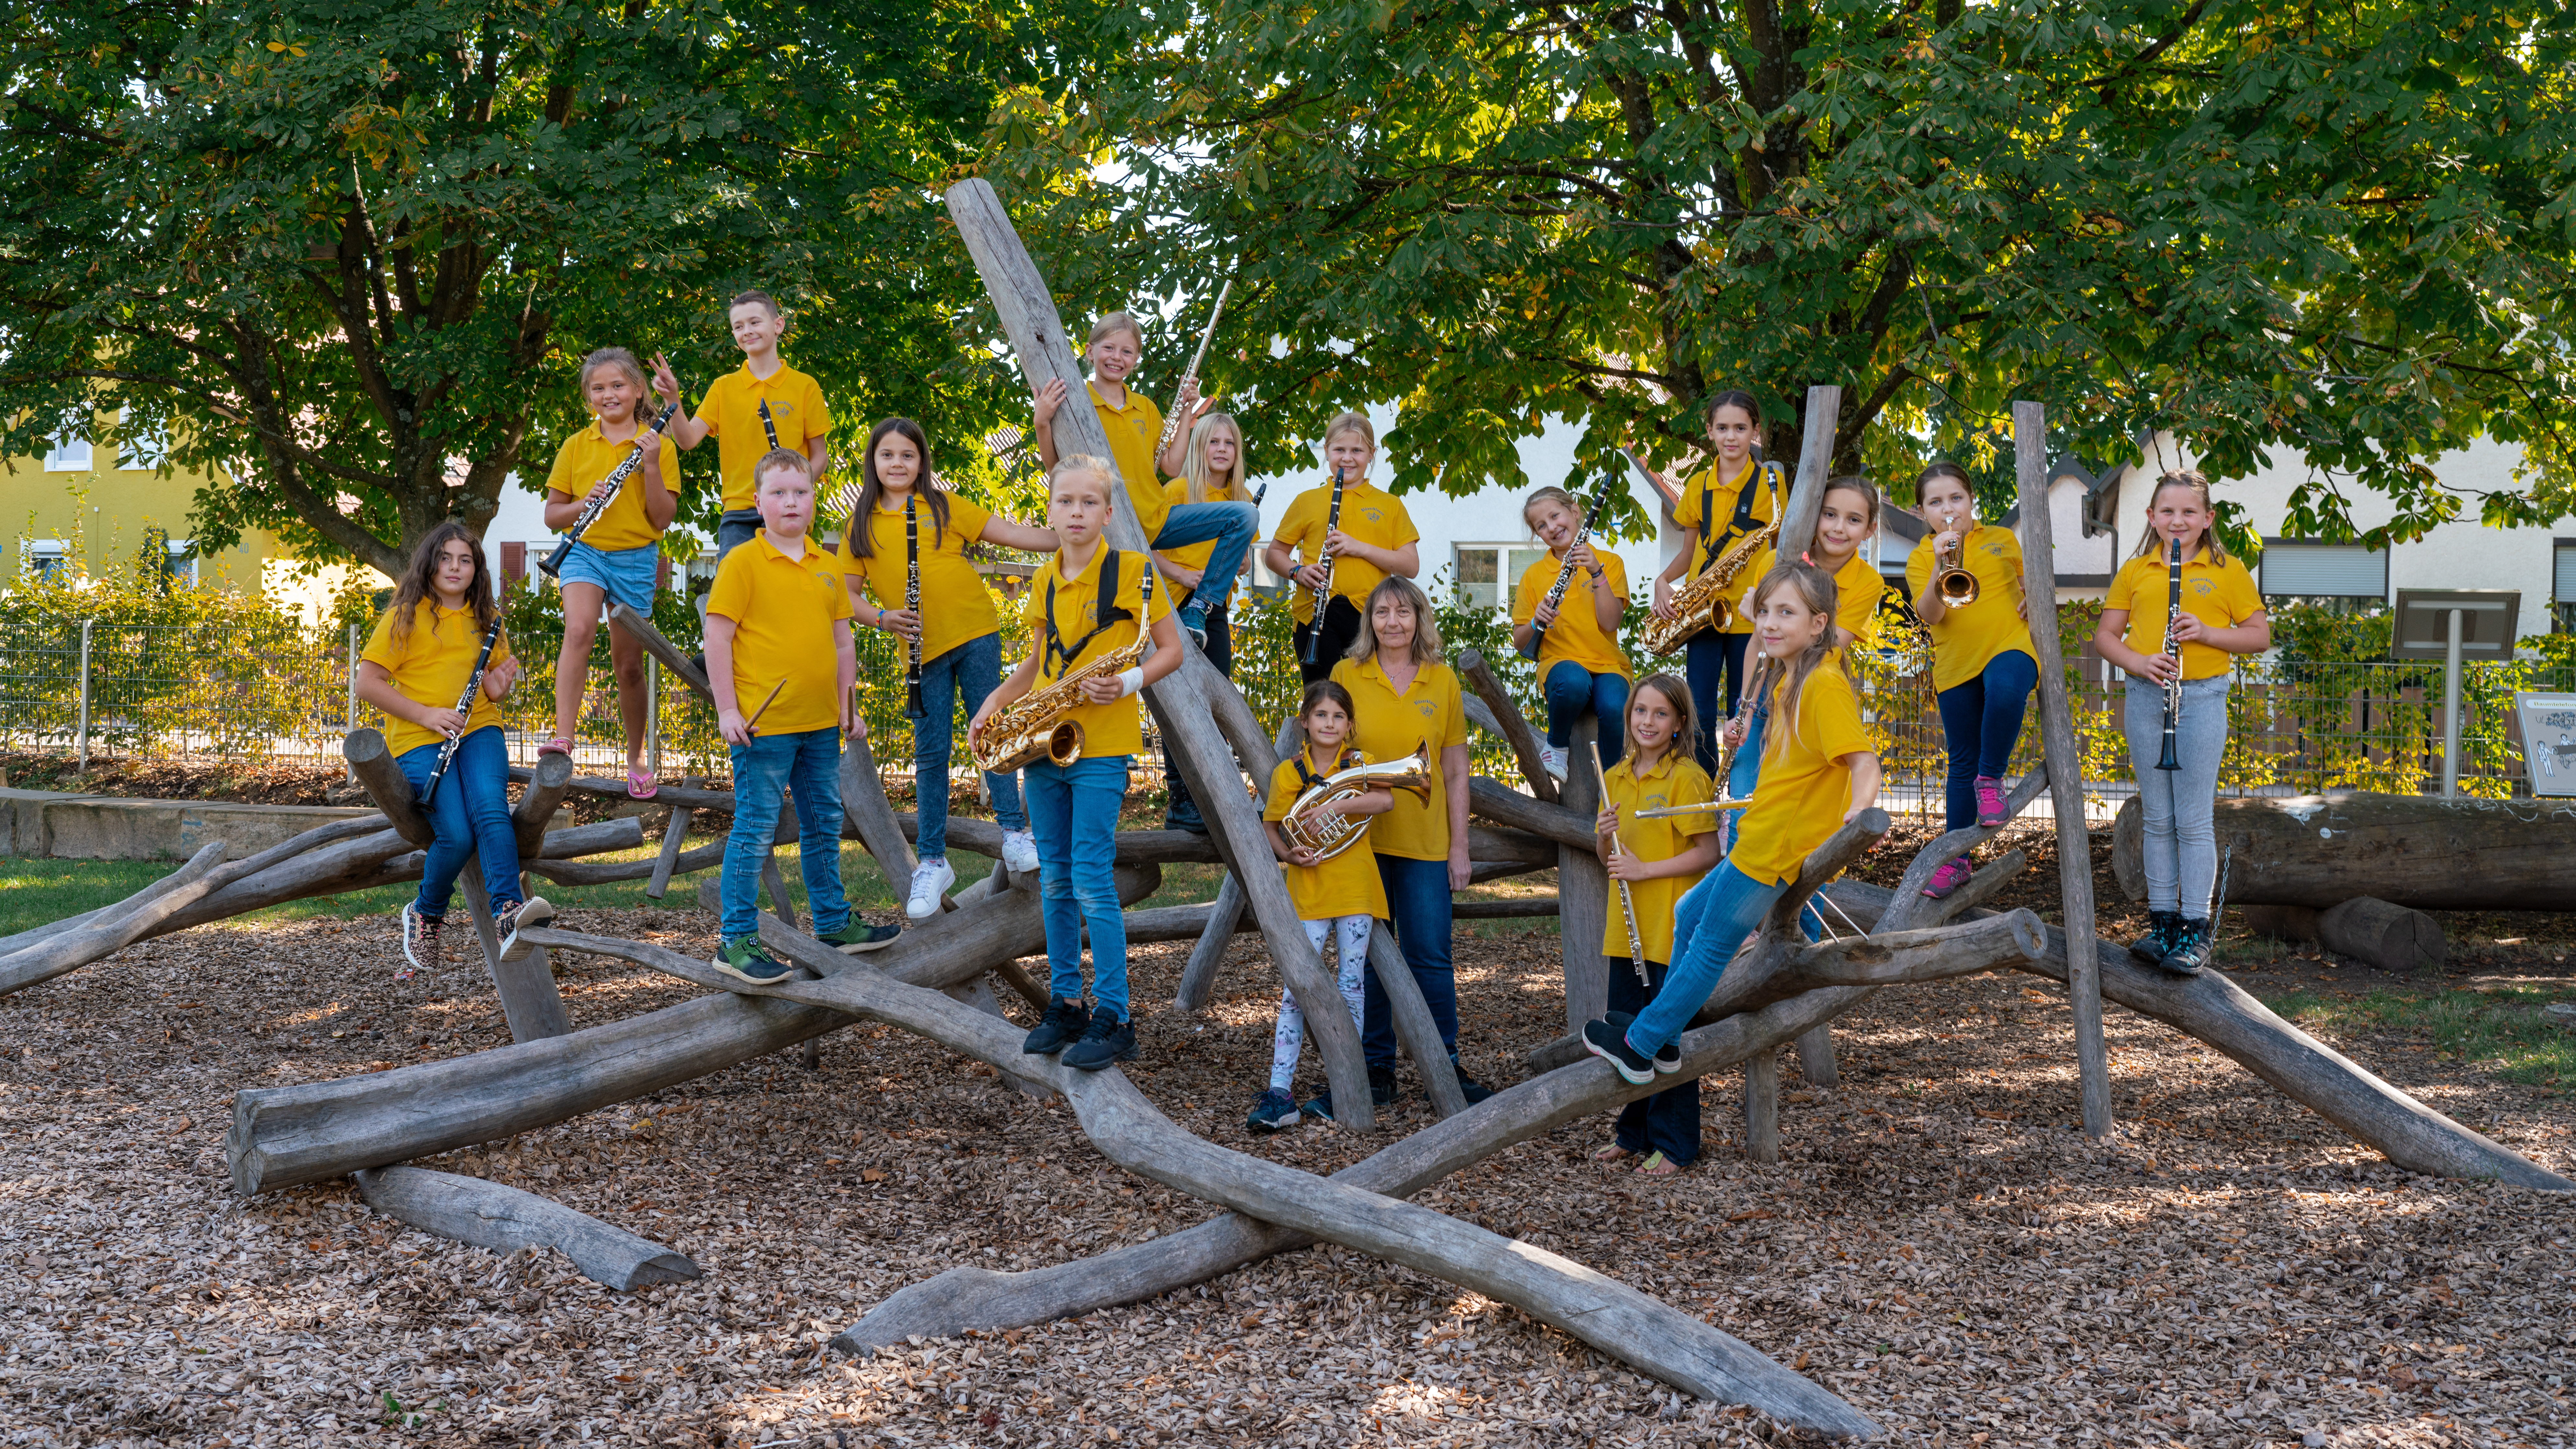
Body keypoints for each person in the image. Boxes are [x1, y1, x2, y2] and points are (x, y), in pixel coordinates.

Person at [1583, 562, 1882, 1084]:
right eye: (1764, 612)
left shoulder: (1823, 685)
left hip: (1777, 848)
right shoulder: (1792, 677)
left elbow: (1864, 761)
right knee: (1687, 914)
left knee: (1710, 945)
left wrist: (1859, 811)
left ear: (1819, 624)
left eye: (1786, 612)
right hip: (1760, 835)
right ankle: (1667, 1040)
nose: (1769, 623)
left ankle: (1640, 1046)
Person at [972, 454, 1185, 1071]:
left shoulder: (1134, 572)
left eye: (1089, 502)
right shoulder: (1044, 579)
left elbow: (1172, 650)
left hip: (1104, 743)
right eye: (1065, 501)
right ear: (1050, 511)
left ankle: (1116, 1015)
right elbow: (1038, 665)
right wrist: (993, 703)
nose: (1076, 512)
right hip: (1045, 743)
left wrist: (1126, 683)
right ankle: (1066, 1002)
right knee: (1057, 879)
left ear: (1108, 512)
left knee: (1091, 876)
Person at [837, 417, 1057, 916]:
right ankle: (933, 861)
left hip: (976, 631)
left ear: (922, 462)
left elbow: (1013, 534)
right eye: (888, 455)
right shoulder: (859, 524)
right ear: (874, 461)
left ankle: (1014, 834)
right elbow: (848, 596)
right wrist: (883, 618)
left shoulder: (943, 505)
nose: (898, 463)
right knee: (932, 754)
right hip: (921, 650)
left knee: (992, 731)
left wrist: (1072, 533)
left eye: (908, 455)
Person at [703, 450, 899, 984]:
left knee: (824, 823)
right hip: (763, 728)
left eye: (801, 492)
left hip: (819, 726)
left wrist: (847, 706)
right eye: (779, 492)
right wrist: (727, 709)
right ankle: (735, 941)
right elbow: (717, 637)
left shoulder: (827, 565)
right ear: (757, 502)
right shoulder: (742, 562)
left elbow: (843, 643)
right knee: (755, 828)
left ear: (814, 499)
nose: (791, 501)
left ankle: (834, 924)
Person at [1319, 575, 1495, 1118]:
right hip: (1360, 841)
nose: (1392, 622)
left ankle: (1445, 1064)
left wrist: (1460, 846)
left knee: (1430, 957)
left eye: (1403, 612)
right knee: (1369, 957)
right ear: (1369, 621)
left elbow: (1454, 769)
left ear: (1419, 618)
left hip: (1425, 841)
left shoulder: (1441, 679)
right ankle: (1377, 1069)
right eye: (1382, 612)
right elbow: (1329, 751)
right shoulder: (1347, 674)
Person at [2093, 470, 2268, 975]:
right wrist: (2140, 661)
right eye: (2167, 511)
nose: (2178, 520)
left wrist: (2208, 633)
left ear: (2208, 518)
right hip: (2147, 695)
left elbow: (2258, 635)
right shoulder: (2136, 569)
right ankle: (2163, 923)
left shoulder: (2228, 570)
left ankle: (2195, 928)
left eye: (2189, 512)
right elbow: (2106, 636)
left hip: (2203, 696)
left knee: (2192, 820)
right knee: (2157, 818)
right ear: (2152, 517)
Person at [354, 522, 551, 971]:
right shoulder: (406, 615)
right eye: (446, 558)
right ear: (430, 563)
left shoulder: (488, 619)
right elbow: (367, 683)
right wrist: (426, 715)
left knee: (491, 807)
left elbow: (492, 684)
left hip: (479, 728)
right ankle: (426, 912)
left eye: (465, 560)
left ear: (476, 569)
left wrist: (497, 689)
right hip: (420, 736)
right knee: (458, 835)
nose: (455, 567)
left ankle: (508, 913)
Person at [1028, 311, 1259, 645]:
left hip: (1156, 520)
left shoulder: (1145, 408)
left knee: (1245, 516)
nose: (1117, 358)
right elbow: (1056, 470)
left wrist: (1185, 410)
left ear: (1136, 359)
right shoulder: (1075, 401)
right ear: (1090, 351)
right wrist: (1042, 422)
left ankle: (1199, 606)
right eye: (1109, 348)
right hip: (1109, 527)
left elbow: (1172, 466)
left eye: (1127, 352)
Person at [1245, 680, 1396, 1133]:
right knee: (1296, 990)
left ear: (1349, 725)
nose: (1329, 723)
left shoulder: (1360, 763)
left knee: (1352, 987)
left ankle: (1346, 1087)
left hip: (1355, 891)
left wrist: (1336, 807)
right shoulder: (1289, 773)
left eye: (1338, 716)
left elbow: (1386, 799)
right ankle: (1279, 1093)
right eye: (1321, 715)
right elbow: (1272, 826)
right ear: (1305, 722)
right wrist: (1289, 855)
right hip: (1308, 890)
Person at [1591, 673, 1722, 1175]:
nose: (1648, 721)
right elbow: (1608, 857)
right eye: (1640, 711)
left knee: (1666, 1039)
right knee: (1629, 1038)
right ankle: (1633, 1134)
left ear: (1679, 724)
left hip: (1670, 930)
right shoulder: (1614, 776)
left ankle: (1676, 1143)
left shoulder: (1687, 777)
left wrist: (1645, 870)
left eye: (1660, 713)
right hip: (1625, 931)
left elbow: (1709, 852)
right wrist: (1603, 837)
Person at [539, 347, 682, 799]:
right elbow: (553, 516)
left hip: (636, 558)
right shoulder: (575, 445)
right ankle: (564, 738)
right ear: (589, 397)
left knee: (628, 667)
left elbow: (662, 519)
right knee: (579, 629)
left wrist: (651, 464)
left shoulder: (660, 445)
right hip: (583, 550)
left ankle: (636, 758)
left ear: (638, 390)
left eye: (618, 385)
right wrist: (585, 503)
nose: (609, 394)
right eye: (598, 388)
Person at [1718, 477, 1886, 844]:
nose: (1838, 528)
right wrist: (1745, 711)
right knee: (1743, 811)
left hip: (1805, 701)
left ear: (1870, 529)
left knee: (1793, 815)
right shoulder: (1774, 560)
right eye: (1829, 514)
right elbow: (1758, 645)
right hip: (1762, 694)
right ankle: (1737, 873)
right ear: (1815, 515)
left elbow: (1827, 645)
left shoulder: (1869, 582)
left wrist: (1763, 618)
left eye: (1853, 520)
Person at [1904, 462, 2039, 899]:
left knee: (2006, 691)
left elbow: (2033, 587)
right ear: (1921, 511)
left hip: (2010, 644)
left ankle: (1991, 778)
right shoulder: (1920, 556)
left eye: (1956, 498)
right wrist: (1938, 563)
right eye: (1936, 502)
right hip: (1955, 663)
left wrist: (2035, 599)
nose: (1948, 509)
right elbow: (1931, 615)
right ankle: (1956, 862)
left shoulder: (2002, 539)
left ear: (1971, 500)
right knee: (1961, 761)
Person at [1651, 390, 1783, 771]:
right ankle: (1703, 786)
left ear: (1755, 431)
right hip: (1702, 612)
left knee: (1743, 711)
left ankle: (1738, 787)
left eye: (1740, 428)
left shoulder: (1770, 482)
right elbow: (1689, 552)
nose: (1731, 437)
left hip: (1751, 613)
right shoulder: (1697, 484)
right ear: (1709, 431)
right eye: (1722, 428)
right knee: (1699, 712)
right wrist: (1663, 580)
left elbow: (1781, 550)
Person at [653, 290, 832, 563]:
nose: (746, 331)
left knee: (785, 585)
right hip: (739, 510)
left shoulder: (805, 386)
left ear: (778, 325)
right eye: (738, 327)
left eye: (755, 322)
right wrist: (672, 398)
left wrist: (794, 487)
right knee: (734, 584)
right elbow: (687, 441)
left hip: (789, 507)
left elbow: (820, 455)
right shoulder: (723, 388)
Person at [1155, 411, 1256, 832]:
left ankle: (1211, 794)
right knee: (1178, 704)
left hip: (1214, 611)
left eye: (1229, 443)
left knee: (1215, 700)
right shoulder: (1178, 490)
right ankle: (1180, 799)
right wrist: (1182, 575)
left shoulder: (1242, 498)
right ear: (1199, 447)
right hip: (1175, 605)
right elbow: (1145, 545)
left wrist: (1240, 561)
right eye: (1213, 441)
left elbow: (1242, 561)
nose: (1221, 449)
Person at [1267, 411, 1422, 685]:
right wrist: (1298, 572)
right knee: (1322, 700)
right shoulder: (1307, 501)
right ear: (1327, 451)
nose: (1347, 458)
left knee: (1367, 698)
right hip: (1314, 614)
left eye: (1357, 451)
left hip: (1371, 617)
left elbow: (1411, 566)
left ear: (1372, 454)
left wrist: (1358, 548)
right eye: (1340, 450)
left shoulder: (1390, 505)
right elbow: (1274, 554)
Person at [1511, 486, 1629, 781]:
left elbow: (1611, 623)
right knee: (1574, 682)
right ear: (1538, 534)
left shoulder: (1610, 562)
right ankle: (1556, 746)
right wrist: (1536, 621)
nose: (1552, 527)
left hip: (1607, 665)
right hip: (1561, 665)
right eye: (1542, 525)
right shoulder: (1534, 576)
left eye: (1555, 516)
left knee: (1616, 705)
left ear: (1575, 512)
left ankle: (1613, 781)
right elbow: (1520, 642)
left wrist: (1596, 572)